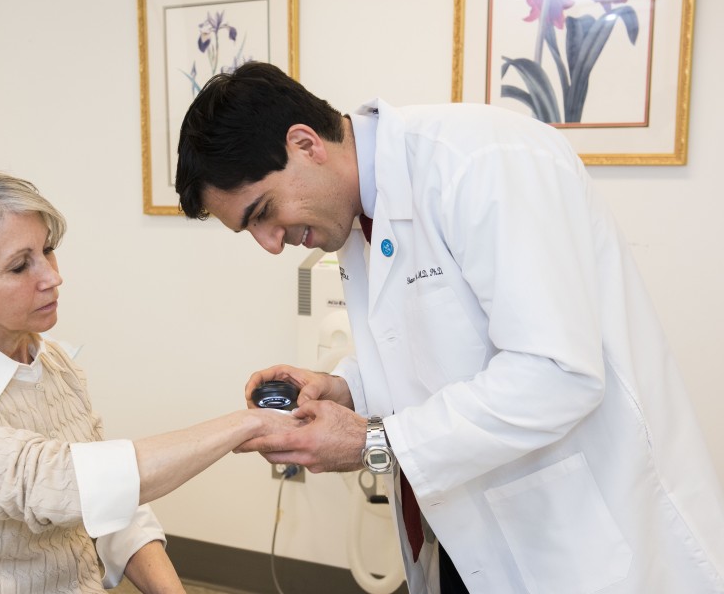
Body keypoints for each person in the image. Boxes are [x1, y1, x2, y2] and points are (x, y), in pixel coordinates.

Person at [174, 61, 724, 593]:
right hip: (467, 529)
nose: (271, 244)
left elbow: (557, 373)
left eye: (262, 212)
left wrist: (373, 444)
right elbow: (436, 348)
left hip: (580, 535)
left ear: (304, 145)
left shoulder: (482, 162)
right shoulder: (357, 214)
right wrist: (345, 388)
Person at [0, 166, 300, 594]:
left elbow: (115, 509)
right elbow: (53, 484)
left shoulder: (54, 363)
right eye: (20, 266)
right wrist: (247, 424)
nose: (52, 277)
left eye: (48, 250)